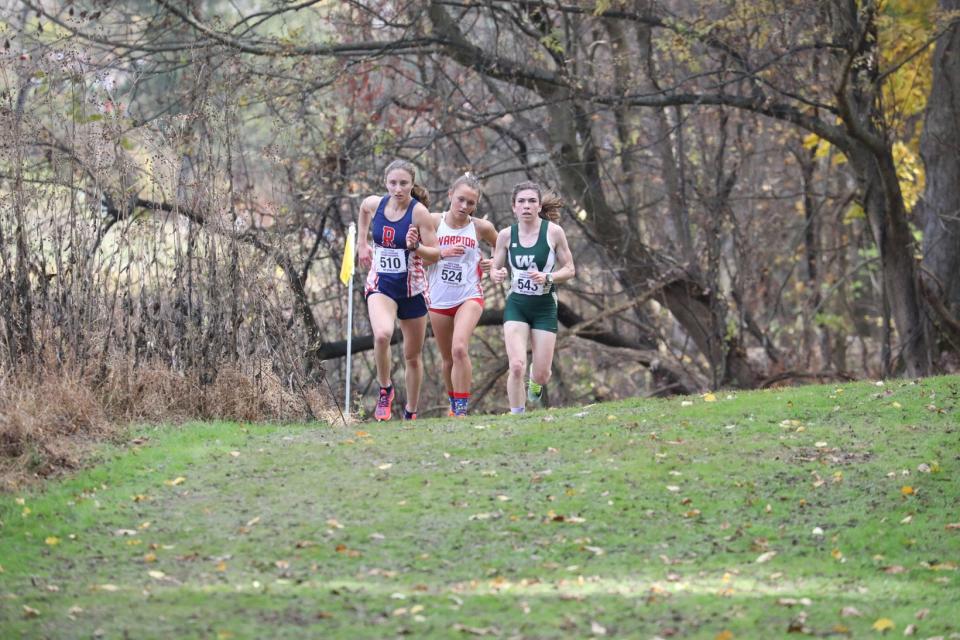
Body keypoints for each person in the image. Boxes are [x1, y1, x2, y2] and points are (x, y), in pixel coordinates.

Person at [357, 159, 440, 421]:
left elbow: (434, 254)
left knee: (411, 356)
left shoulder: (419, 214)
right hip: (382, 283)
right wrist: (362, 243)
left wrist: (416, 248)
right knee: (382, 335)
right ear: (386, 183)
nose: (398, 188)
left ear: (412, 184)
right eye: (393, 183)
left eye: (404, 183)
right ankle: (385, 389)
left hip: (412, 289)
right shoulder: (376, 204)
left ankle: (411, 412)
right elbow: (362, 209)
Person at [490, 181, 575, 414]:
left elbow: (570, 269)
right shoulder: (506, 236)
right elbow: (494, 268)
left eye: (531, 201)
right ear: (514, 207)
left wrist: (548, 277)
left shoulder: (554, 232)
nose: (526, 206)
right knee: (516, 365)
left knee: (542, 374)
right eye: (521, 201)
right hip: (517, 305)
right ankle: (517, 416)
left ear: (538, 206)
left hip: (545, 307)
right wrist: (496, 273)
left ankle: (535, 380)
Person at [427, 173, 499, 417]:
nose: (464, 206)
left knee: (459, 349)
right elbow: (417, 253)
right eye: (460, 200)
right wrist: (442, 252)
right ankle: (453, 404)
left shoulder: (481, 227)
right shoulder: (433, 221)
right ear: (450, 195)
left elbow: (501, 247)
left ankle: (461, 408)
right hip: (438, 299)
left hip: (469, 295)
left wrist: (493, 264)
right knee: (447, 358)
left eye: (470, 203)